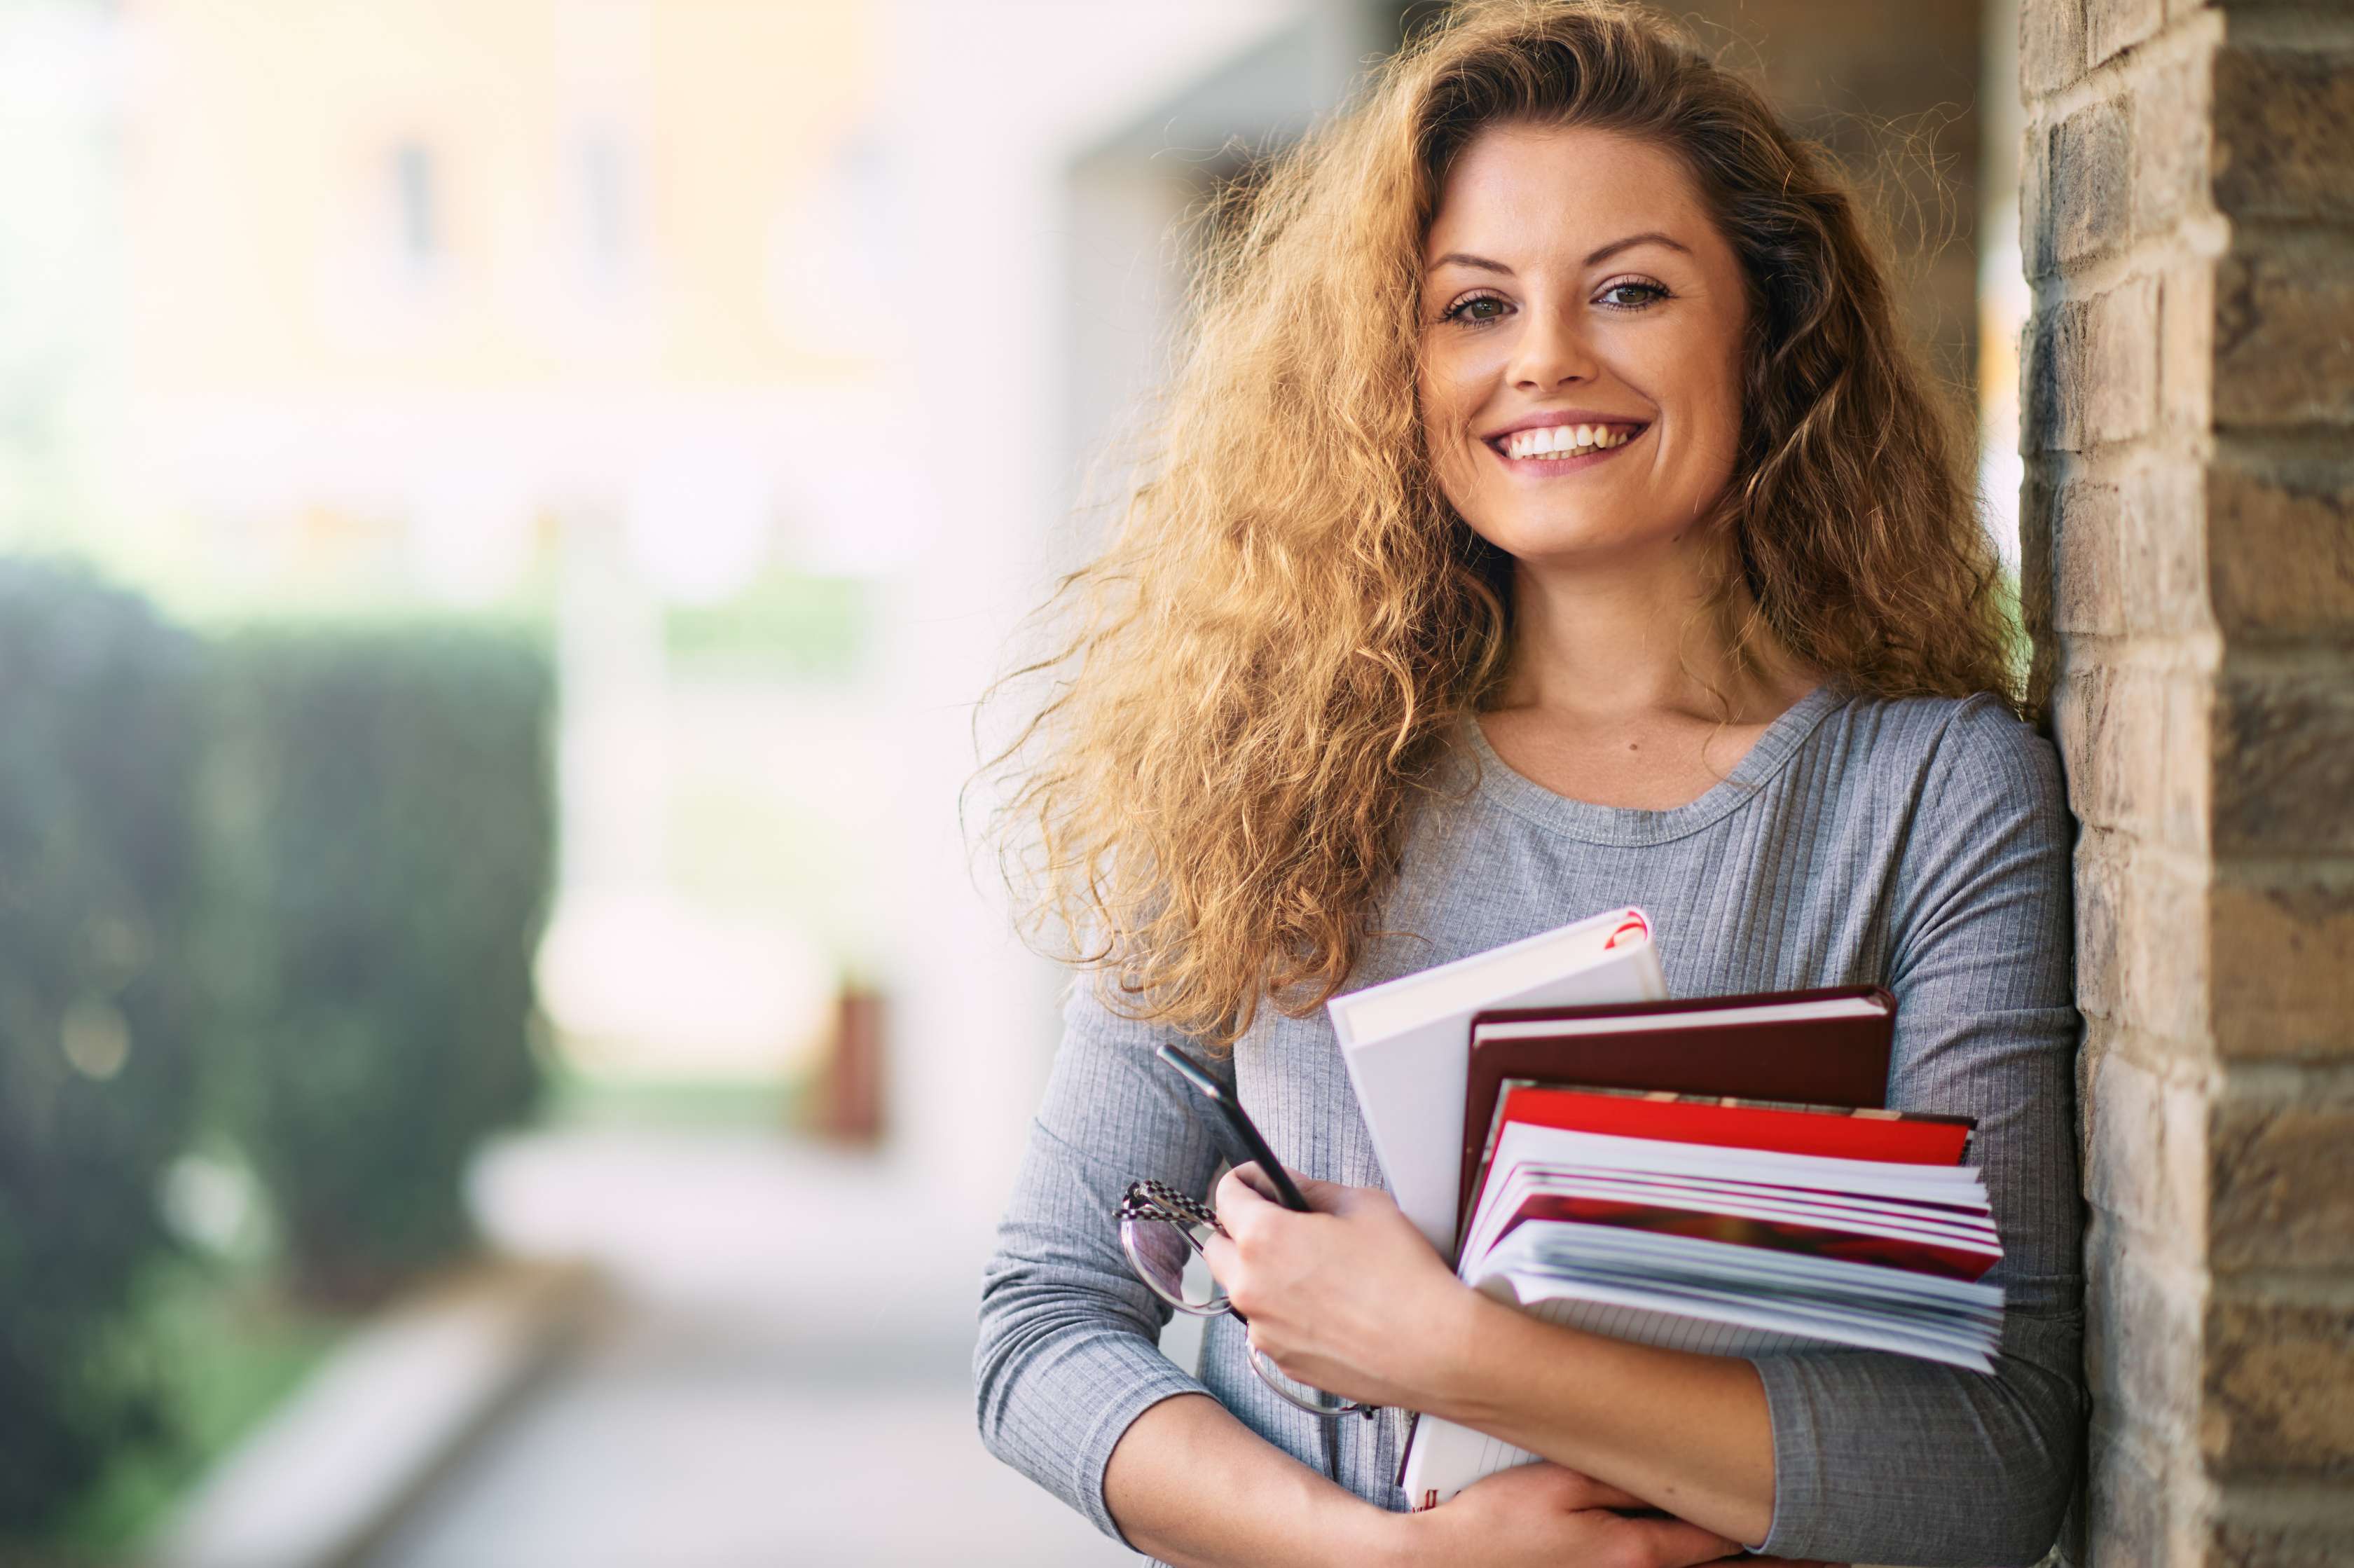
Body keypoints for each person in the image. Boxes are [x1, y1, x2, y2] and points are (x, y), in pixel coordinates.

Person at [973, 2, 2084, 1564]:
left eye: (1630, 288)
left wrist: (1452, 1354)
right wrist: (1387, 1559)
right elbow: (1041, 1327)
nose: (1546, 356)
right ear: (1396, 363)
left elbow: (1995, 1456)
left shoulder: (1934, 800)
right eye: (1473, 306)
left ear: (1764, 328)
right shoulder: (1277, 769)